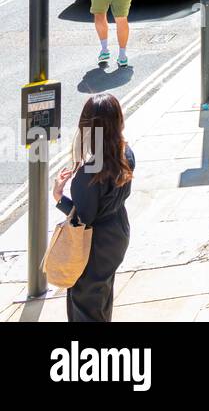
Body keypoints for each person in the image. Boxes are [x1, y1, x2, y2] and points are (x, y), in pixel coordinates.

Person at [53, 93, 135, 321]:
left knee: (85, 305)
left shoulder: (90, 172)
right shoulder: (125, 153)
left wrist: (59, 197)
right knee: (102, 295)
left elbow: (83, 218)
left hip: (95, 245)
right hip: (118, 233)